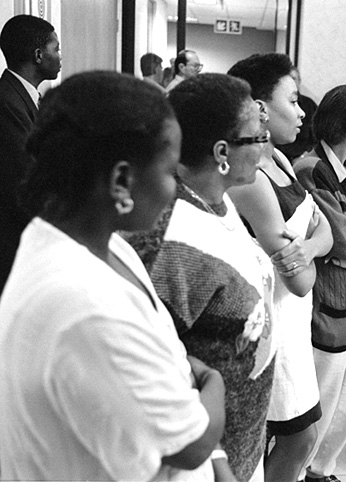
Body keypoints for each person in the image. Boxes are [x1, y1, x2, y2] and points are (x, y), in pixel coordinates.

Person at [0, 71, 225, 481]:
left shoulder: (102, 246)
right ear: (122, 180)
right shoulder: (85, 304)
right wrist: (215, 381)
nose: (174, 188)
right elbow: (191, 445)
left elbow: (168, 357)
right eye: (170, 171)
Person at [125, 73, 281, 482]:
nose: (266, 145)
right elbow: (151, 367)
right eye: (258, 136)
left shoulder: (218, 199)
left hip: (241, 439)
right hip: (201, 461)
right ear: (222, 152)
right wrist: (213, 456)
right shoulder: (171, 240)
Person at [228, 53, 333, 482]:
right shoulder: (252, 178)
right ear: (261, 108)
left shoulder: (281, 160)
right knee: (296, 438)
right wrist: (312, 253)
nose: (302, 111)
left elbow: (327, 231)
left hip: (294, 321)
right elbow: (302, 281)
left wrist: (308, 249)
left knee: (300, 437)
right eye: (292, 100)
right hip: (273, 322)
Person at [292, 84, 346, 482]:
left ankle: (321, 471)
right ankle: (301, 472)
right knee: (323, 399)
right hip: (328, 305)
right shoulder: (312, 170)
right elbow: (343, 242)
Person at [0, 14, 61, 294]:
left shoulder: (22, 96)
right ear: (38, 55)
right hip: (13, 243)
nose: (60, 56)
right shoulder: (7, 102)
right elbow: (24, 177)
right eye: (56, 49)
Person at [277, 66, 318, 161]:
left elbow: (318, 136)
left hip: (304, 157)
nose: (290, 82)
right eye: (286, 79)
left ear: (299, 82)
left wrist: (305, 156)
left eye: (293, 78)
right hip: (280, 158)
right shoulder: (276, 105)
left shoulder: (309, 105)